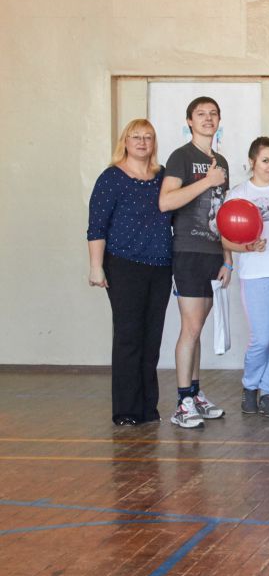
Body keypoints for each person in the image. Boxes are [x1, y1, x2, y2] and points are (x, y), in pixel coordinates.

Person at [87, 119, 174, 426]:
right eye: (136, 137)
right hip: (123, 264)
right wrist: (96, 266)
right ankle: (126, 409)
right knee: (129, 337)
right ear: (125, 141)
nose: (142, 142)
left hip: (160, 266)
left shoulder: (162, 176)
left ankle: (148, 408)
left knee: (152, 339)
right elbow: (96, 226)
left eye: (148, 137)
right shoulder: (111, 178)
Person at [158, 96, 231, 429]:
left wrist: (228, 259)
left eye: (213, 114)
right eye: (201, 114)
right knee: (190, 327)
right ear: (189, 121)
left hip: (213, 253)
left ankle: (195, 393)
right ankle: (182, 402)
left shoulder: (221, 161)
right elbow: (166, 201)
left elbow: (223, 215)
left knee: (198, 327)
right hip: (187, 251)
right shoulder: (181, 156)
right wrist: (206, 181)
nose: (207, 118)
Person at [224, 137, 269, 419]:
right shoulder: (238, 194)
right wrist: (248, 247)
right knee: (262, 338)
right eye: (266, 160)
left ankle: (268, 393)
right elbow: (224, 239)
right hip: (256, 274)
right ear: (252, 161)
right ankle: (250, 387)